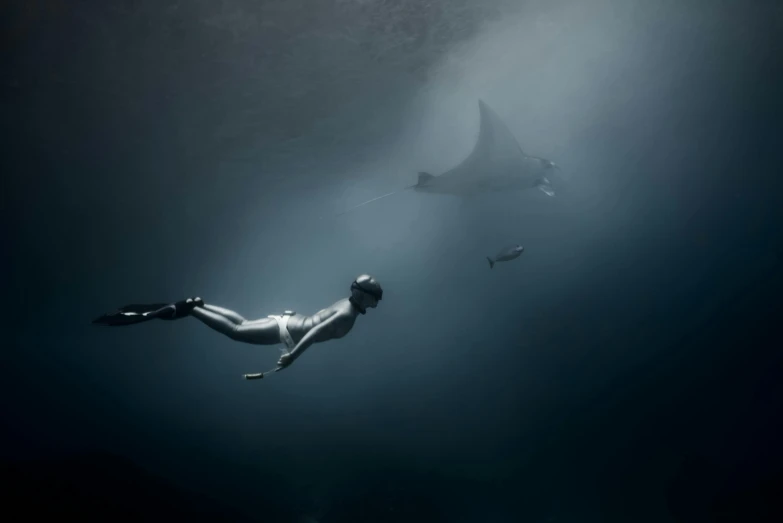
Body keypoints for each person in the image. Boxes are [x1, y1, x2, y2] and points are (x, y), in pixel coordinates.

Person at [92, 274, 383, 378]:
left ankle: (199, 303)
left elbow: (316, 321)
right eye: (375, 299)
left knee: (241, 322)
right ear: (364, 296)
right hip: (285, 331)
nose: (376, 304)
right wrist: (292, 356)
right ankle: (192, 310)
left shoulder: (343, 304)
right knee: (235, 332)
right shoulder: (347, 315)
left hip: (286, 320)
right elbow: (317, 331)